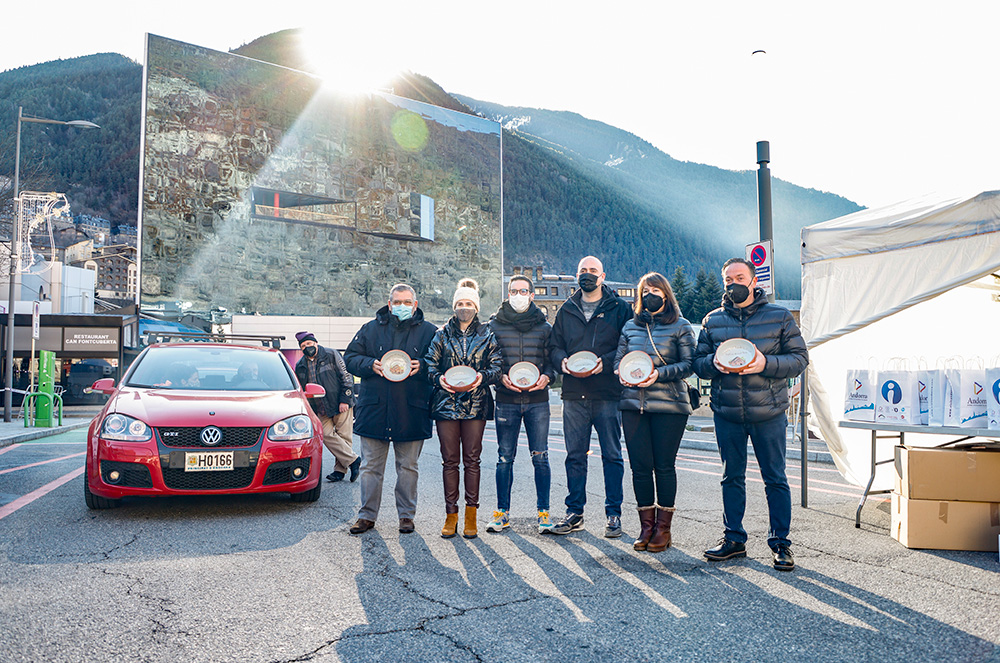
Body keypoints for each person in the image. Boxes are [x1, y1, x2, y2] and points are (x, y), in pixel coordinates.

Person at [692, 258, 808, 571]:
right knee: (731, 477)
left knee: (775, 479)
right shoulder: (712, 321)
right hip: (727, 411)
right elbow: (698, 363)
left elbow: (799, 359)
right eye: (728, 278)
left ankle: (781, 544)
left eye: (739, 277)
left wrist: (765, 365)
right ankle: (734, 539)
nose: (733, 283)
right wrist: (713, 364)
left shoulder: (779, 316)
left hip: (769, 411)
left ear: (754, 281)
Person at [343, 283, 438, 535]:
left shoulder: (430, 332)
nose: (402, 306)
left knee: (408, 468)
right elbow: (349, 358)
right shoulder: (370, 329)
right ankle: (366, 516)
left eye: (407, 302)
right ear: (389, 303)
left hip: (412, 410)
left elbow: (442, 363)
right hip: (375, 409)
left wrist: (424, 368)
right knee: (370, 467)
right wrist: (369, 364)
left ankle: (406, 516)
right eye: (398, 302)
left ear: (415, 305)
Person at [548, 256, 632, 537]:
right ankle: (575, 512)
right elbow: (554, 345)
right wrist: (562, 363)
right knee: (574, 456)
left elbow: (627, 345)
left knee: (612, 455)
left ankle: (613, 514)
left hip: (607, 392)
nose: (588, 275)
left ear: (603, 276)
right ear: (576, 275)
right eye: (583, 270)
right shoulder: (566, 309)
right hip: (573, 394)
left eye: (592, 271)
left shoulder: (620, 309)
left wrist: (605, 363)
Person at [614, 272, 695, 552]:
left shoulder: (681, 326)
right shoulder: (630, 327)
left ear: (665, 294)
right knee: (639, 467)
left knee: (663, 465)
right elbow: (618, 360)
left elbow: (689, 364)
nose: (650, 294)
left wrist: (657, 374)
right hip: (632, 404)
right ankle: (645, 526)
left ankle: (663, 529)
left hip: (670, 405)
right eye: (645, 290)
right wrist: (621, 373)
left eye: (655, 290)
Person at [424, 279, 503, 539]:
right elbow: (429, 366)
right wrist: (439, 380)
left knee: (472, 461)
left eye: (468, 304)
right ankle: (451, 515)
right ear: (454, 306)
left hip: (476, 404)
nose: (464, 308)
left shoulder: (487, 335)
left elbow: (496, 366)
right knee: (449, 461)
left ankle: (471, 516)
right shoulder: (441, 334)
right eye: (460, 304)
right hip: (446, 404)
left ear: (476, 307)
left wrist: (482, 377)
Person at [486, 274, 557, 535]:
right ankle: (502, 513)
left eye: (523, 291)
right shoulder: (493, 326)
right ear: (508, 294)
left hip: (538, 401)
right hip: (506, 400)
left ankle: (544, 513)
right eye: (513, 291)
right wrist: (500, 378)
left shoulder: (545, 327)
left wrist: (548, 377)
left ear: (532, 295)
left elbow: (553, 361)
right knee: (504, 458)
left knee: (541, 457)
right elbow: (489, 363)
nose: (518, 295)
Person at [294, 331, 360, 483]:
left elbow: (347, 376)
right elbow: (303, 389)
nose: (307, 347)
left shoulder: (331, 354)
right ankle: (353, 460)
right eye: (303, 346)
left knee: (344, 437)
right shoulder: (301, 365)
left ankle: (339, 471)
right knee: (326, 434)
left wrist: (345, 399)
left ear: (315, 343)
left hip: (340, 403)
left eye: (309, 344)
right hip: (320, 408)